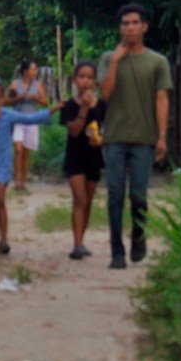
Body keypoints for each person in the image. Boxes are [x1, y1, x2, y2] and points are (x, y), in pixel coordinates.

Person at [98, 3, 171, 269]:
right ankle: (116, 252)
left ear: (144, 27)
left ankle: (138, 236)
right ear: (119, 28)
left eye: (134, 22)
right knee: (115, 194)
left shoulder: (157, 61)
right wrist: (116, 61)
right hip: (115, 137)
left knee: (139, 196)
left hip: (144, 138)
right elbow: (104, 95)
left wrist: (162, 136)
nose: (129, 27)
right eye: (125, 23)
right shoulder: (108, 58)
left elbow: (161, 98)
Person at [0, 78, 53, 255]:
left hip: (0, 165)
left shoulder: (7, 115)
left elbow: (29, 118)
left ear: (2, 99)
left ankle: (3, 240)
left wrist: (51, 111)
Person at [59, 60, 107, 261]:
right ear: (75, 80)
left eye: (89, 77)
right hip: (75, 156)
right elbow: (75, 130)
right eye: (82, 77)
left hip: (94, 156)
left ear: (95, 82)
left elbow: (107, 128)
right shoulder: (68, 105)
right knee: (79, 199)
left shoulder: (103, 105)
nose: (85, 81)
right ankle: (77, 244)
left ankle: (82, 240)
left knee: (88, 201)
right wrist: (84, 108)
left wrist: (102, 139)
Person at [6, 59, 48, 193]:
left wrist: (36, 98)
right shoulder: (14, 84)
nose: (35, 72)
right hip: (18, 119)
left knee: (26, 152)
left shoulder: (38, 85)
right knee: (18, 149)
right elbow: (6, 101)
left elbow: (45, 102)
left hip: (32, 120)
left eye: (36, 69)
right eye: (33, 69)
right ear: (25, 71)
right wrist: (18, 97)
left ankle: (23, 181)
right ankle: (17, 180)